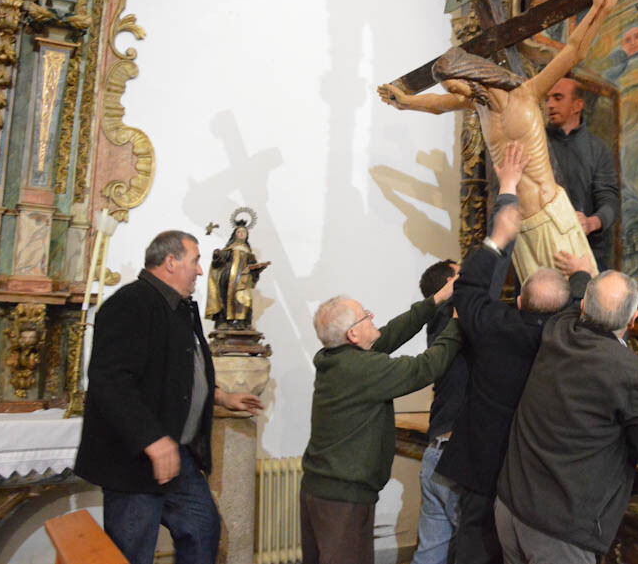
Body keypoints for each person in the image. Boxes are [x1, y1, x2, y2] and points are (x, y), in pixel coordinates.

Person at [378, 0, 629, 283]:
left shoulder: (526, 94)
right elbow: (438, 104)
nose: (454, 92)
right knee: (537, 305)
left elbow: (574, 51)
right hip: (521, 225)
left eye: (455, 84)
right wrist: (406, 102)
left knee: (583, 300)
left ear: (472, 76)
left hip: (551, 215)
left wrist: (601, 7)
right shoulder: (479, 104)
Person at [435, 143, 594, 564]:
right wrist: (581, 275)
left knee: (472, 542)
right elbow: (582, 309)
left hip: (482, 461)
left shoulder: (494, 327)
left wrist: (499, 232)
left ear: (519, 301)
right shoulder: (566, 336)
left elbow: (470, 288)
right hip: (532, 477)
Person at [75, 230, 264, 564]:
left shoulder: (177, 307)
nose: (201, 271)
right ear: (171, 261)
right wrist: (152, 439)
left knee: (202, 529)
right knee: (132, 551)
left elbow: (176, 375)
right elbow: (110, 381)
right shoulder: (130, 303)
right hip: (136, 461)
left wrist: (220, 397)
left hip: (177, 455)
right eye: (195, 261)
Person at [495, 269, 638, 564]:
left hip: (510, 507)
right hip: (558, 529)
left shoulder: (558, 329)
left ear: (583, 307)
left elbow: (577, 292)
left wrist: (580, 271)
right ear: (634, 319)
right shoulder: (631, 374)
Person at [301, 277, 462, 564]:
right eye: (365, 315)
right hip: (343, 499)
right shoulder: (360, 369)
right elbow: (425, 368)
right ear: (353, 334)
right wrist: (458, 324)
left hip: (324, 491)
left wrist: (436, 300)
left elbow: (390, 334)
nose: (372, 316)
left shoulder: (338, 357)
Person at [412, 259, 465, 564]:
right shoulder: (457, 325)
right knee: (472, 550)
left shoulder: (436, 324)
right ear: (451, 284)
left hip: (435, 452)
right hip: (456, 458)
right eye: (463, 274)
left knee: (430, 553)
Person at [545, 77, 619, 270]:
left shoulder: (598, 149)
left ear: (577, 105)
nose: (550, 104)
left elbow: (609, 201)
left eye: (558, 98)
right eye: (548, 99)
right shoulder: (537, 144)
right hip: (544, 252)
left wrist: (591, 223)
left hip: (587, 253)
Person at [205, 220, 269, 330]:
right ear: (235, 234)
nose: (241, 234)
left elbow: (253, 266)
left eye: (244, 232)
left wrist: (257, 269)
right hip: (227, 279)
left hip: (243, 280)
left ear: (247, 235)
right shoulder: (230, 249)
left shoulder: (248, 252)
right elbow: (219, 260)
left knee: (244, 299)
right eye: (239, 232)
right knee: (225, 298)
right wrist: (217, 254)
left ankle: (242, 322)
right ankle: (224, 321)